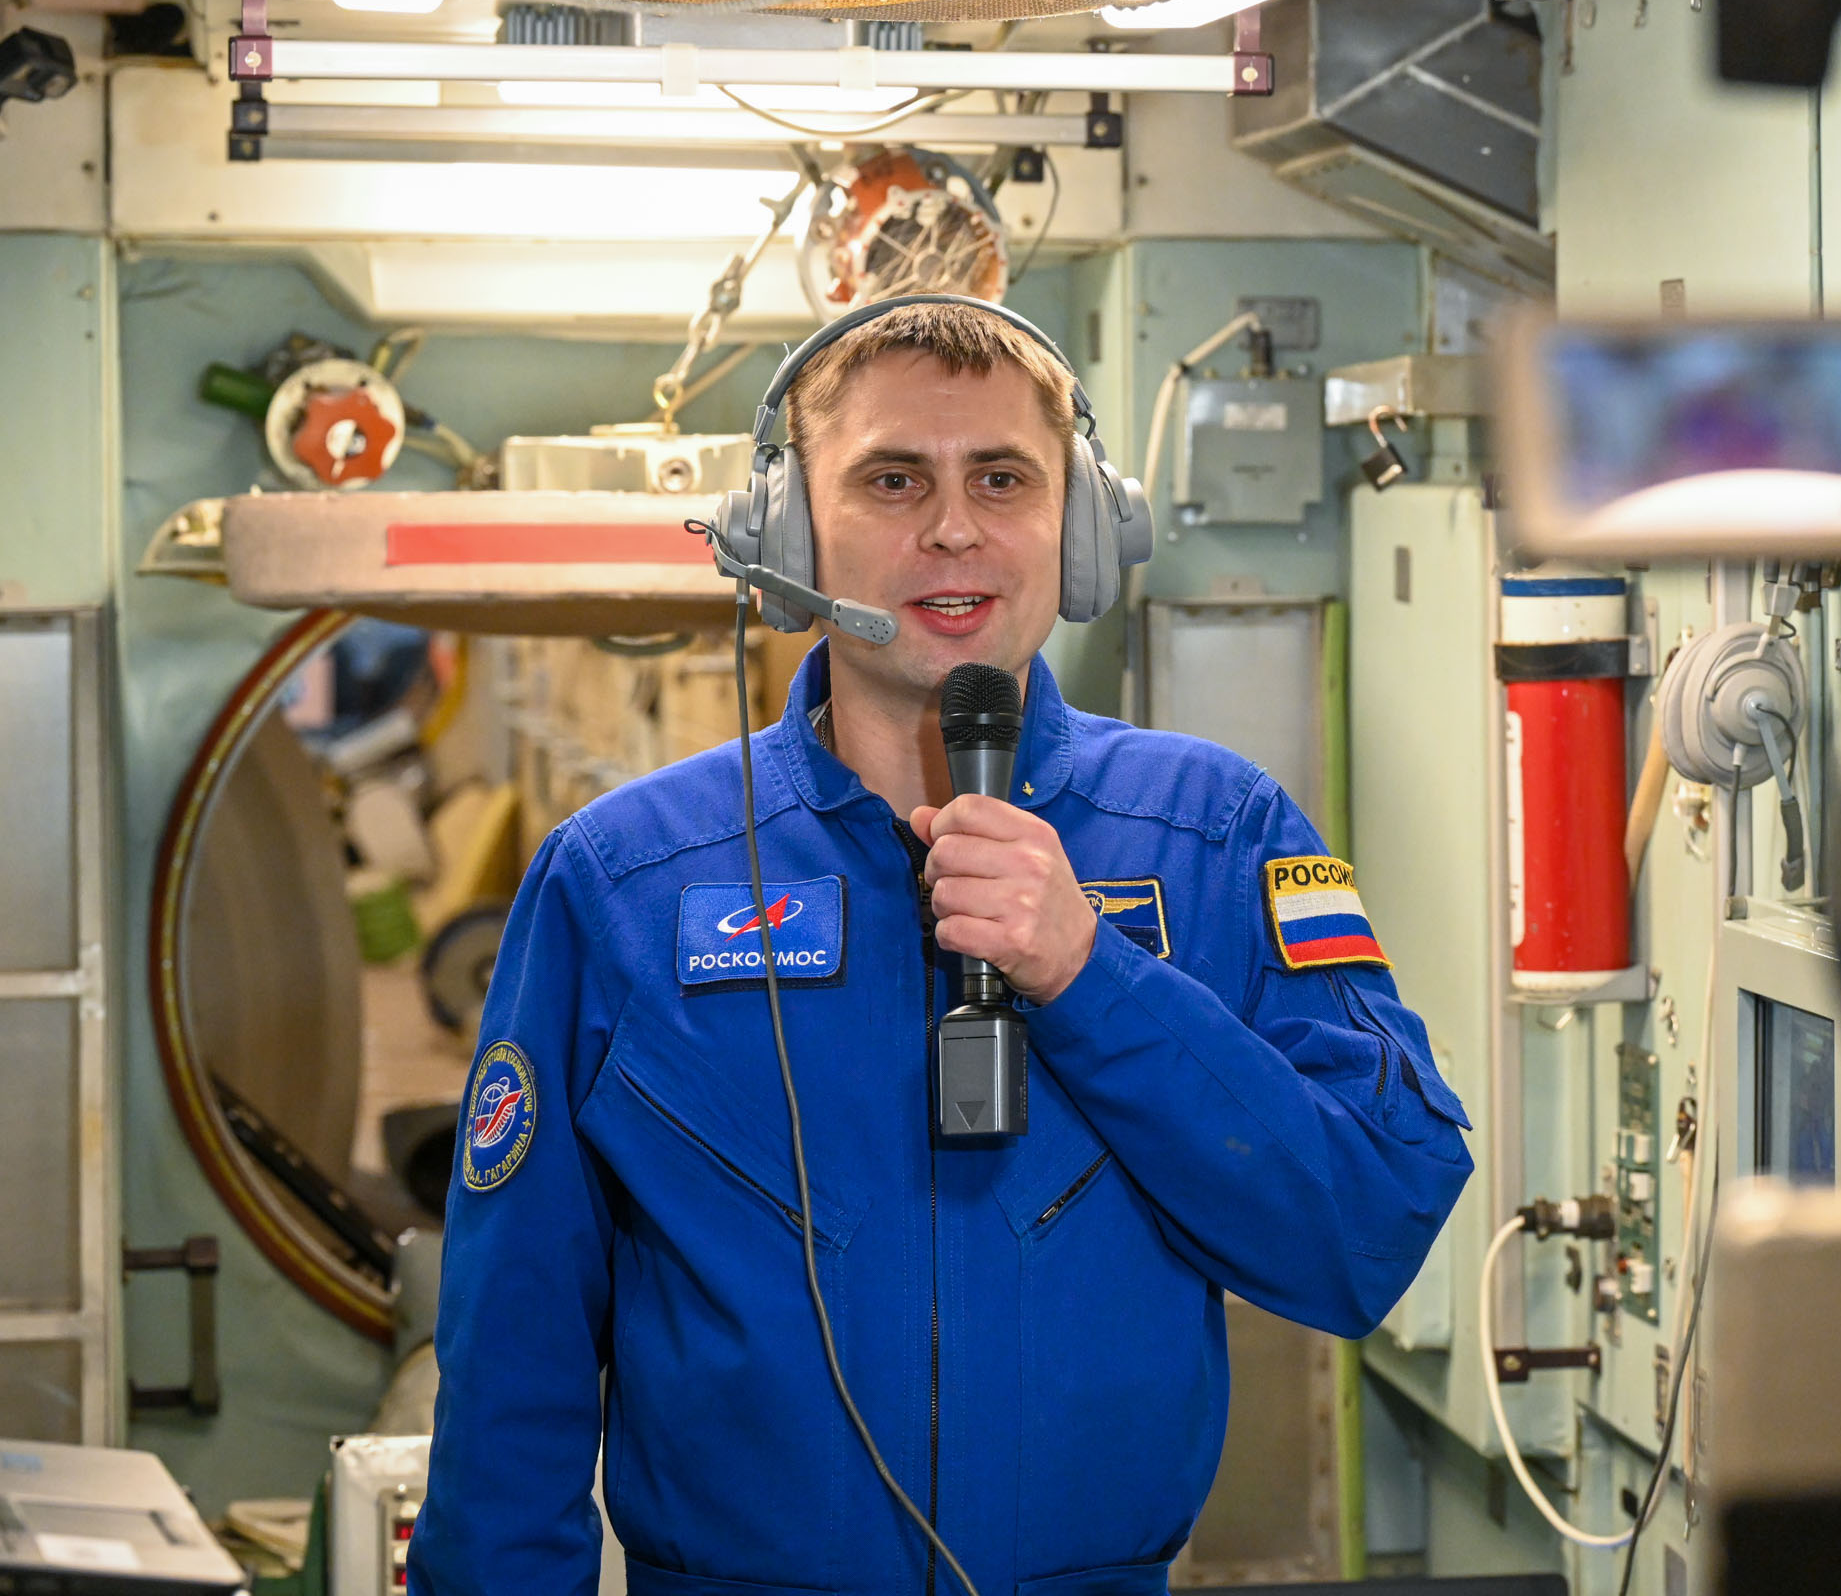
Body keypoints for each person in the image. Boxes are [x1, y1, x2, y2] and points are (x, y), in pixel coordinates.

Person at [410, 298, 1472, 1596]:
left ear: (1081, 528)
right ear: (788, 533)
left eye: (1004, 479)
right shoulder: (624, 879)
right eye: (894, 479)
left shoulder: (1217, 833)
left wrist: (1091, 975)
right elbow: (510, 1365)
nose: (955, 528)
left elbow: (1367, 1235)